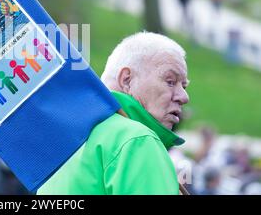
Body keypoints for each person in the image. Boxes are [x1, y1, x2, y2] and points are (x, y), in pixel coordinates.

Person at [38, 32, 189, 195]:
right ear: (126, 80)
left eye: (184, 86)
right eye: (170, 81)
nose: (184, 97)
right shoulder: (137, 140)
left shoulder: (68, 142)